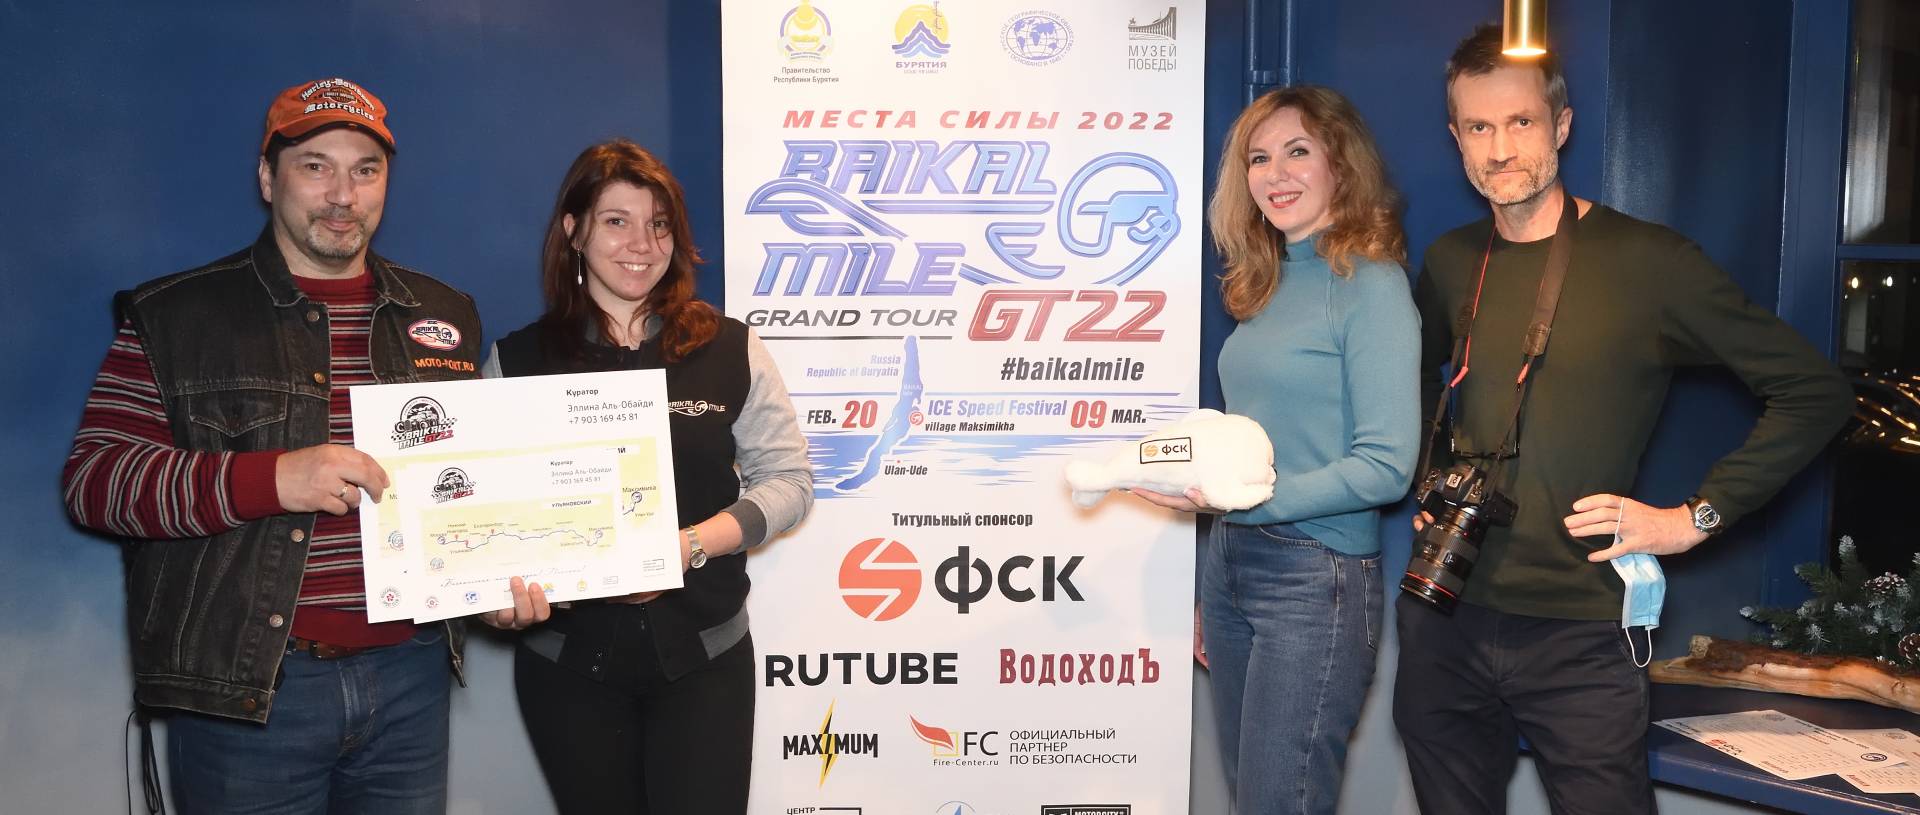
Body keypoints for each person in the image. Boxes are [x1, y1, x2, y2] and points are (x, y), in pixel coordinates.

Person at [1392, 24, 1855, 814]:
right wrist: (1424, 476)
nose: (1500, 148)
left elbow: (1816, 392)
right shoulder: (1450, 261)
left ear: (1562, 125)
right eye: (1478, 127)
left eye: (1521, 121)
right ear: (1456, 138)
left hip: (1580, 634)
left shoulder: (1651, 263)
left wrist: (1692, 518)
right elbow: (1408, 380)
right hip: (1444, 614)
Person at [60, 77, 548, 814]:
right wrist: (273, 479)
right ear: (268, 177)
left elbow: (466, 492)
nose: (343, 195)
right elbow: (98, 482)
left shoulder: (445, 312)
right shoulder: (176, 315)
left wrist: (490, 588)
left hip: (411, 680)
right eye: (315, 166)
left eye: (365, 170)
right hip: (253, 693)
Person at [485, 139, 813, 814]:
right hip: (569, 670)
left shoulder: (730, 347)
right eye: (616, 220)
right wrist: (496, 592)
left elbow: (789, 482)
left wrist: (687, 546)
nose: (642, 243)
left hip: (705, 659)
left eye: (659, 224)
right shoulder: (517, 360)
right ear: (574, 230)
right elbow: (484, 517)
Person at [1132, 85, 1420, 814]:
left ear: (1341, 165)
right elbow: (1244, 451)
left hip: (1315, 577)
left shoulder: (1370, 285)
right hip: (1236, 562)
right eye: (1259, 158)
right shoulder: (1265, 282)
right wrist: (1216, 572)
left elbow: (1387, 466)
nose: (1276, 174)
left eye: (1298, 151)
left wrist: (1241, 503)